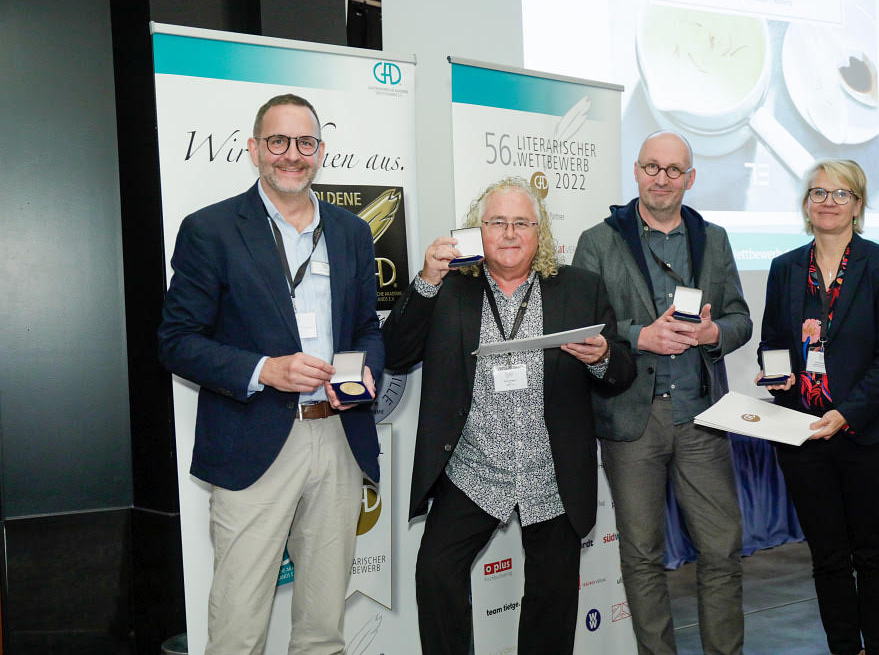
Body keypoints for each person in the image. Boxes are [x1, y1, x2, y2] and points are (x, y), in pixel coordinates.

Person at [158, 94, 384, 654]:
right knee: (238, 628)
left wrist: (364, 374)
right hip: (252, 440)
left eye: (305, 142)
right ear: (255, 148)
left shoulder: (351, 231)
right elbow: (177, 342)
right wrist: (266, 369)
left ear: (321, 151)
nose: (292, 155)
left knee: (323, 627)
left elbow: (367, 329)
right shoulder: (211, 229)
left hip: (338, 435)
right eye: (278, 141)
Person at [381, 176, 636, 654]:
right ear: (477, 230)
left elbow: (622, 370)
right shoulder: (450, 288)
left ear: (540, 232)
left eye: (522, 222)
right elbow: (395, 354)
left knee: (551, 603)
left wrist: (602, 355)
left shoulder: (579, 288)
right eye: (497, 222)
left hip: (551, 473)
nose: (510, 233)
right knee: (436, 574)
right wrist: (427, 282)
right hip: (474, 470)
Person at [573, 131, 751, 654]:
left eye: (674, 170)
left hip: (702, 417)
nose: (662, 178)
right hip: (633, 420)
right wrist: (639, 336)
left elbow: (740, 319)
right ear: (636, 171)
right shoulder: (598, 240)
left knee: (721, 551)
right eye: (652, 167)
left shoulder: (713, 239)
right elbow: (582, 326)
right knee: (642, 556)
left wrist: (714, 333)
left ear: (690, 179)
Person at [756, 159, 879, 655]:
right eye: (819, 193)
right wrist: (776, 376)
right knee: (827, 558)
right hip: (803, 435)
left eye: (841, 193)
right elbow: (772, 342)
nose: (828, 202)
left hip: (870, 434)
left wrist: (847, 413)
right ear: (806, 204)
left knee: (873, 554)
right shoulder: (785, 268)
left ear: (858, 205)